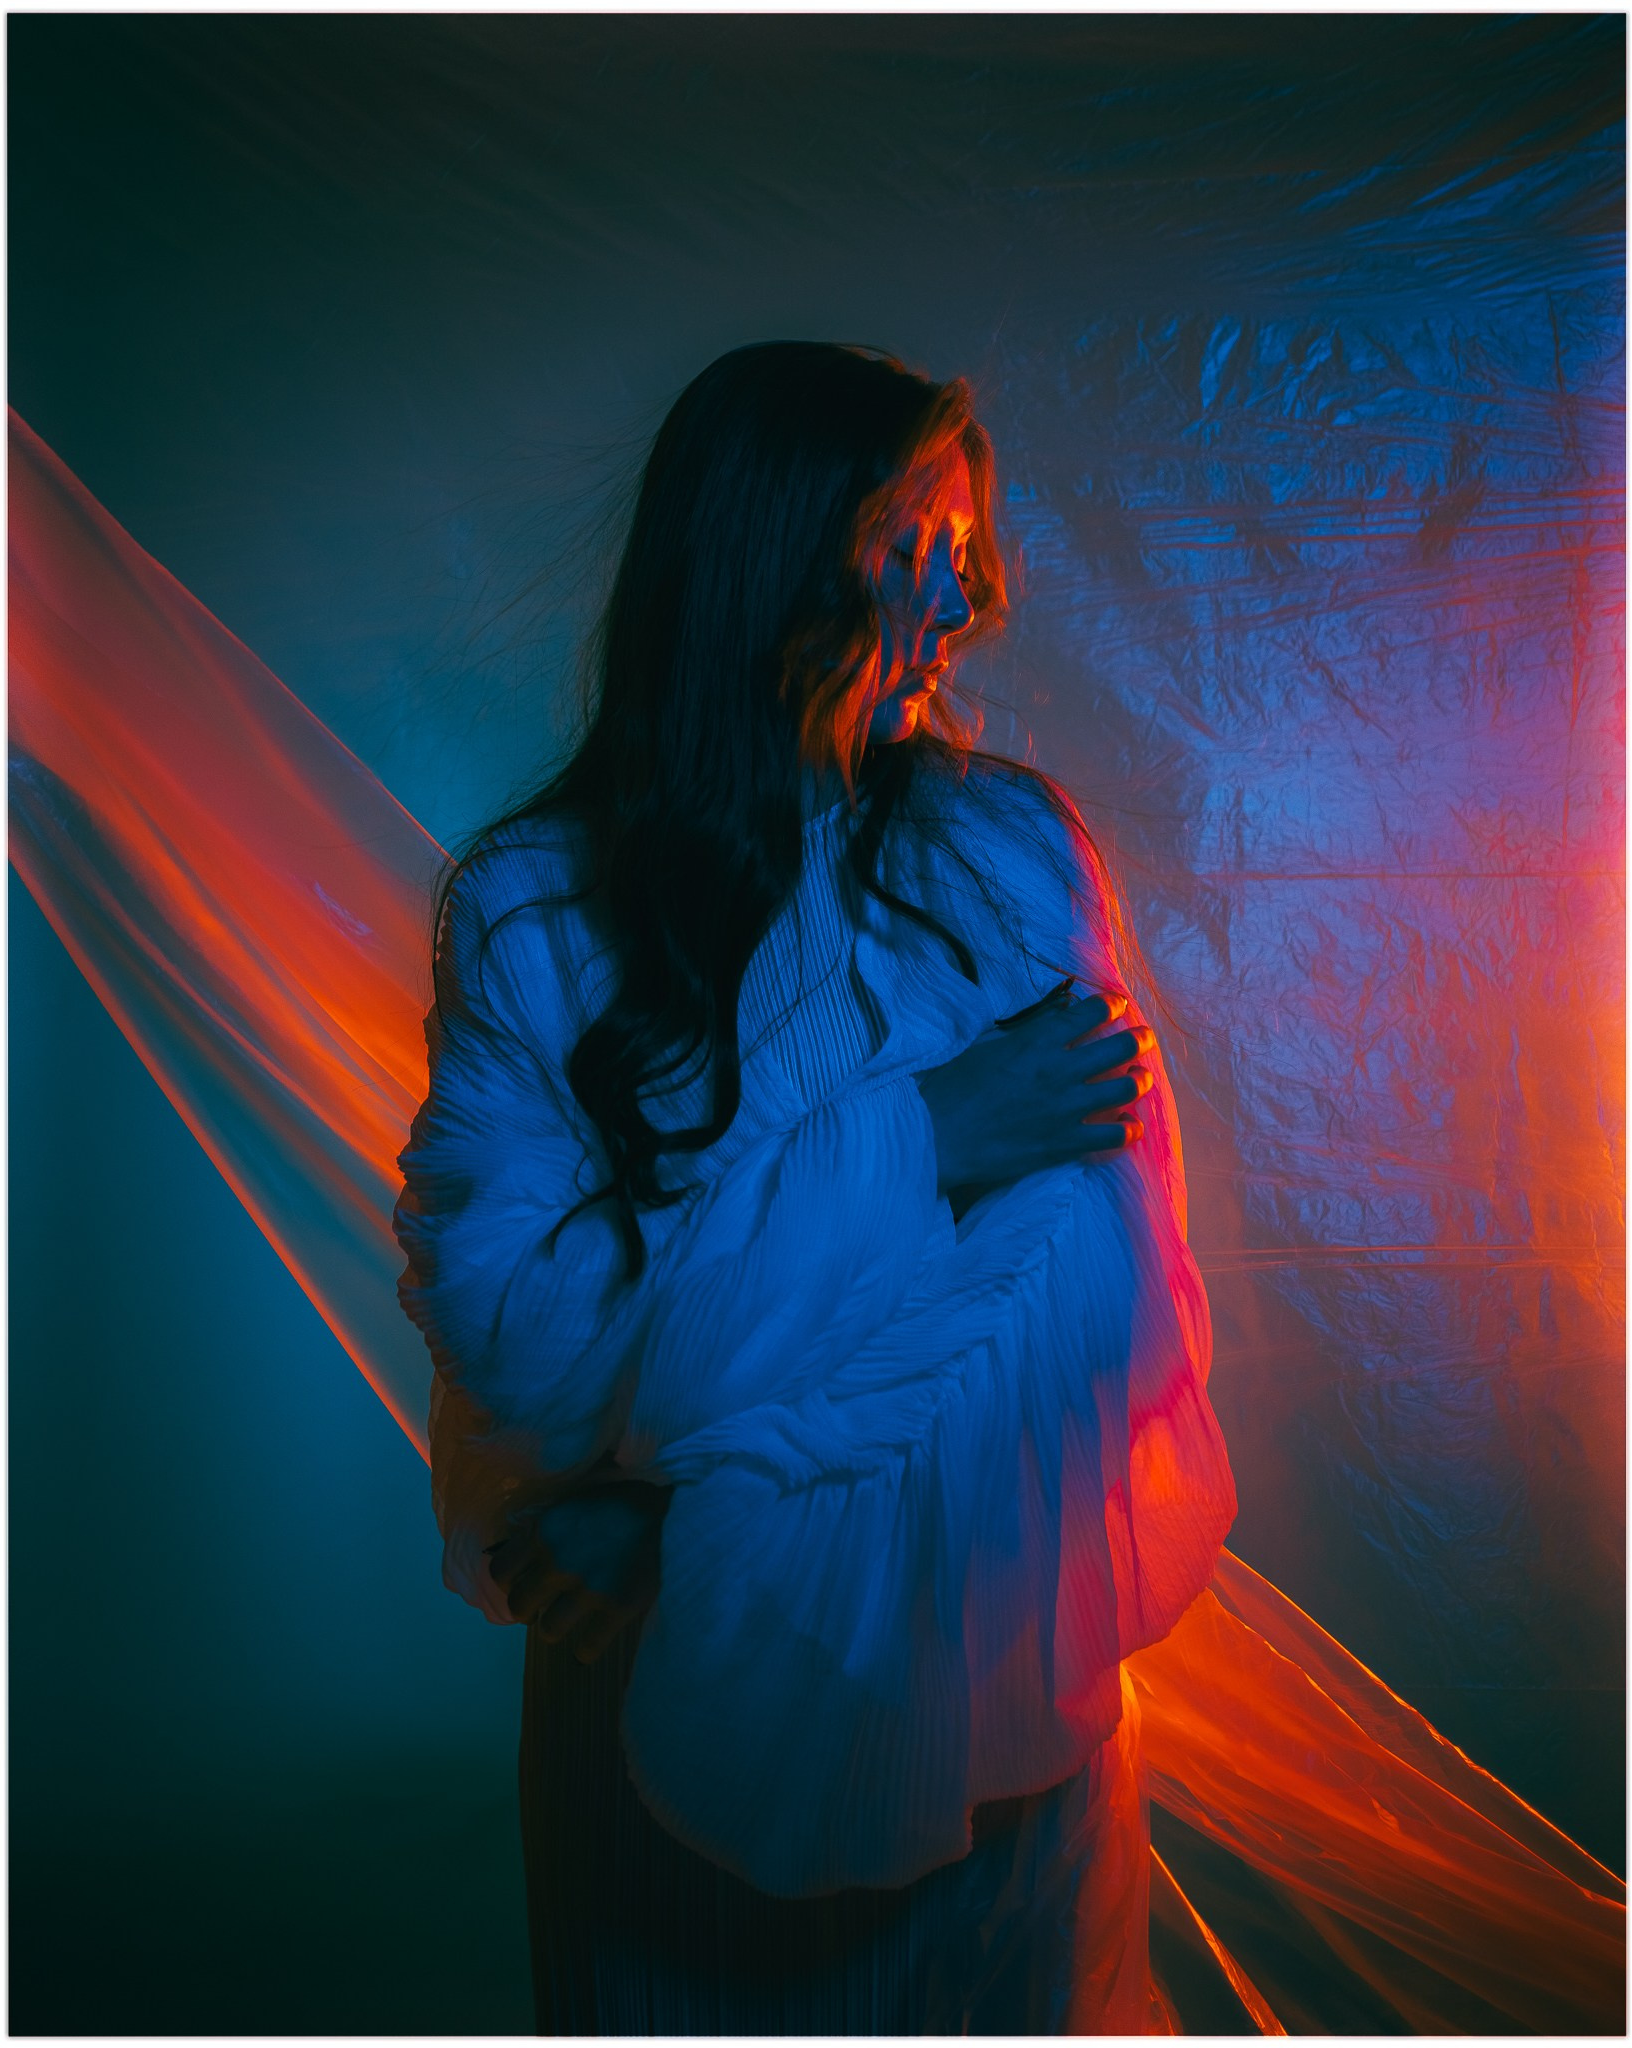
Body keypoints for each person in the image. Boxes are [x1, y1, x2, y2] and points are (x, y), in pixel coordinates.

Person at [392, 339, 1237, 2033]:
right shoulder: (534, 910)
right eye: (913, 536)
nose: (972, 597)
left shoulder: (1011, 862)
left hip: (981, 1698)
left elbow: (1085, 1307)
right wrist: (928, 1140)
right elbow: (524, 1348)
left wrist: (670, 1511)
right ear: (767, 552)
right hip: (660, 1727)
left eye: (966, 542)